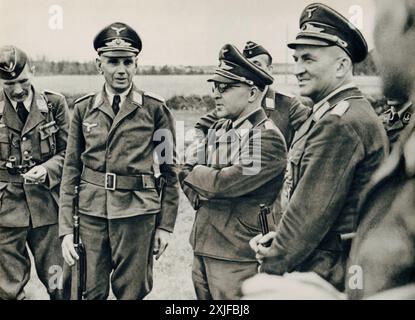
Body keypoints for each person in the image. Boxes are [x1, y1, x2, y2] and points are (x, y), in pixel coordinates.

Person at [244, 0, 415, 300]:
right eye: (296, 59)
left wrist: (270, 267)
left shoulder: (339, 122)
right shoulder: (333, 113)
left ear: (341, 66)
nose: (298, 69)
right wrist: (278, 239)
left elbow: (308, 217)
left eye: (308, 59)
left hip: (327, 273)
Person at [59, 22, 179, 300]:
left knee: (132, 291)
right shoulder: (83, 108)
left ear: (137, 64)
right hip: (91, 214)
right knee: (87, 290)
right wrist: (66, 229)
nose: (121, 70)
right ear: (98, 64)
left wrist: (165, 225)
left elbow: (170, 171)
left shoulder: (154, 109)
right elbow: (70, 170)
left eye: (128, 61)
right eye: (113, 62)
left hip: (137, 213)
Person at [179, 44, 287, 299]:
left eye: (225, 87)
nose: (216, 94)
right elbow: (183, 169)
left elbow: (223, 184)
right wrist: (202, 190)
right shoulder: (219, 128)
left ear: (251, 93)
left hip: (237, 254)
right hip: (204, 244)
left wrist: (201, 179)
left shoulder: (267, 138)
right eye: (215, 87)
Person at [0, 45, 70, 299]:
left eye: (23, 81)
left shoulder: (53, 104)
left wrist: (47, 169)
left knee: (60, 281)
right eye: (9, 84)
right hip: (6, 210)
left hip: (47, 207)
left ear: (33, 71)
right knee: (7, 288)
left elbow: (70, 154)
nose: (18, 90)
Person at [195, 41, 311, 148]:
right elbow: (201, 126)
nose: (253, 70)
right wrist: (202, 151)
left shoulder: (287, 103)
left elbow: (313, 130)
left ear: (270, 69)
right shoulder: (232, 105)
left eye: (257, 65)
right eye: (248, 65)